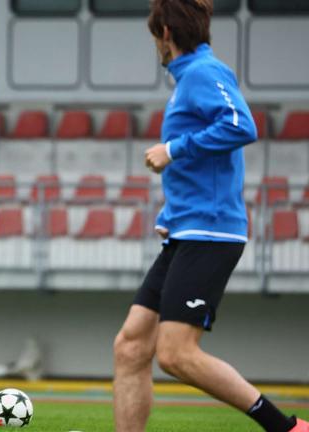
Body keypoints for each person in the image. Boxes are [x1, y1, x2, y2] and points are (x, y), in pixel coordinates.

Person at [112, 1, 308, 432]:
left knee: (176, 354)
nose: (155, 47)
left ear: (165, 32)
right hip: (187, 227)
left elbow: (241, 124)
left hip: (211, 232)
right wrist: (174, 211)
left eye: (154, 38)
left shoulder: (204, 72)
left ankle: (287, 428)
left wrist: (172, 149)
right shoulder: (189, 79)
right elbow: (206, 165)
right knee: (129, 346)